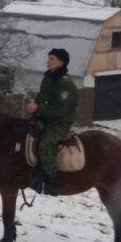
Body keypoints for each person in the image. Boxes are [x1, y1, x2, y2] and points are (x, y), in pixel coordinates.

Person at [25, 48, 79, 196]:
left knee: (45, 145)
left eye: (52, 59)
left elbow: (61, 110)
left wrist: (39, 108)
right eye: (48, 58)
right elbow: (42, 98)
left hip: (60, 122)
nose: (48, 61)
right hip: (45, 116)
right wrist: (34, 105)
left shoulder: (65, 84)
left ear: (61, 62)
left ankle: (52, 181)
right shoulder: (48, 77)